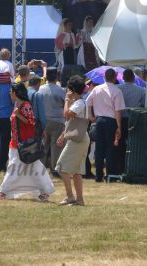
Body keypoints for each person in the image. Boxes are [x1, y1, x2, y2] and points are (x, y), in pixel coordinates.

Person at [0, 83, 55, 201]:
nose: (9, 93)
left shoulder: (26, 105)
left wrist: (18, 115)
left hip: (24, 144)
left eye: (10, 91)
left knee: (15, 167)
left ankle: (3, 192)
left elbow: (31, 122)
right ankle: (45, 191)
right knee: (35, 167)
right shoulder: (17, 104)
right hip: (17, 142)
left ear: (15, 92)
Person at [55, 75, 91, 206]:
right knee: (76, 171)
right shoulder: (80, 102)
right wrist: (63, 135)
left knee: (61, 167)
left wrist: (67, 100)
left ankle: (70, 196)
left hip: (78, 139)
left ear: (73, 90)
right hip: (79, 137)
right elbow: (71, 123)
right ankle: (79, 200)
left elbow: (66, 114)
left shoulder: (79, 103)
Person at [85, 68, 125, 182]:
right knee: (110, 148)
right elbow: (118, 111)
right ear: (115, 77)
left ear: (104, 77)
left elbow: (87, 102)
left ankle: (98, 175)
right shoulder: (117, 91)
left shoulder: (97, 88)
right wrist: (119, 126)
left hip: (99, 120)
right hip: (111, 121)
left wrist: (90, 117)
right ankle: (110, 174)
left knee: (99, 148)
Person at [115, 69, 147, 174]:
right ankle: (132, 167)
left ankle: (119, 168)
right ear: (134, 78)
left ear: (123, 77)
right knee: (135, 144)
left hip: (120, 119)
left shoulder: (117, 88)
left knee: (120, 145)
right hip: (134, 120)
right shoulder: (141, 90)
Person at [34, 69, 66, 176]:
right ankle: (55, 169)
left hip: (44, 121)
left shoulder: (40, 89)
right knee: (56, 146)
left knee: (44, 145)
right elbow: (65, 105)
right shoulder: (61, 90)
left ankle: (40, 168)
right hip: (58, 121)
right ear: (57, 77)